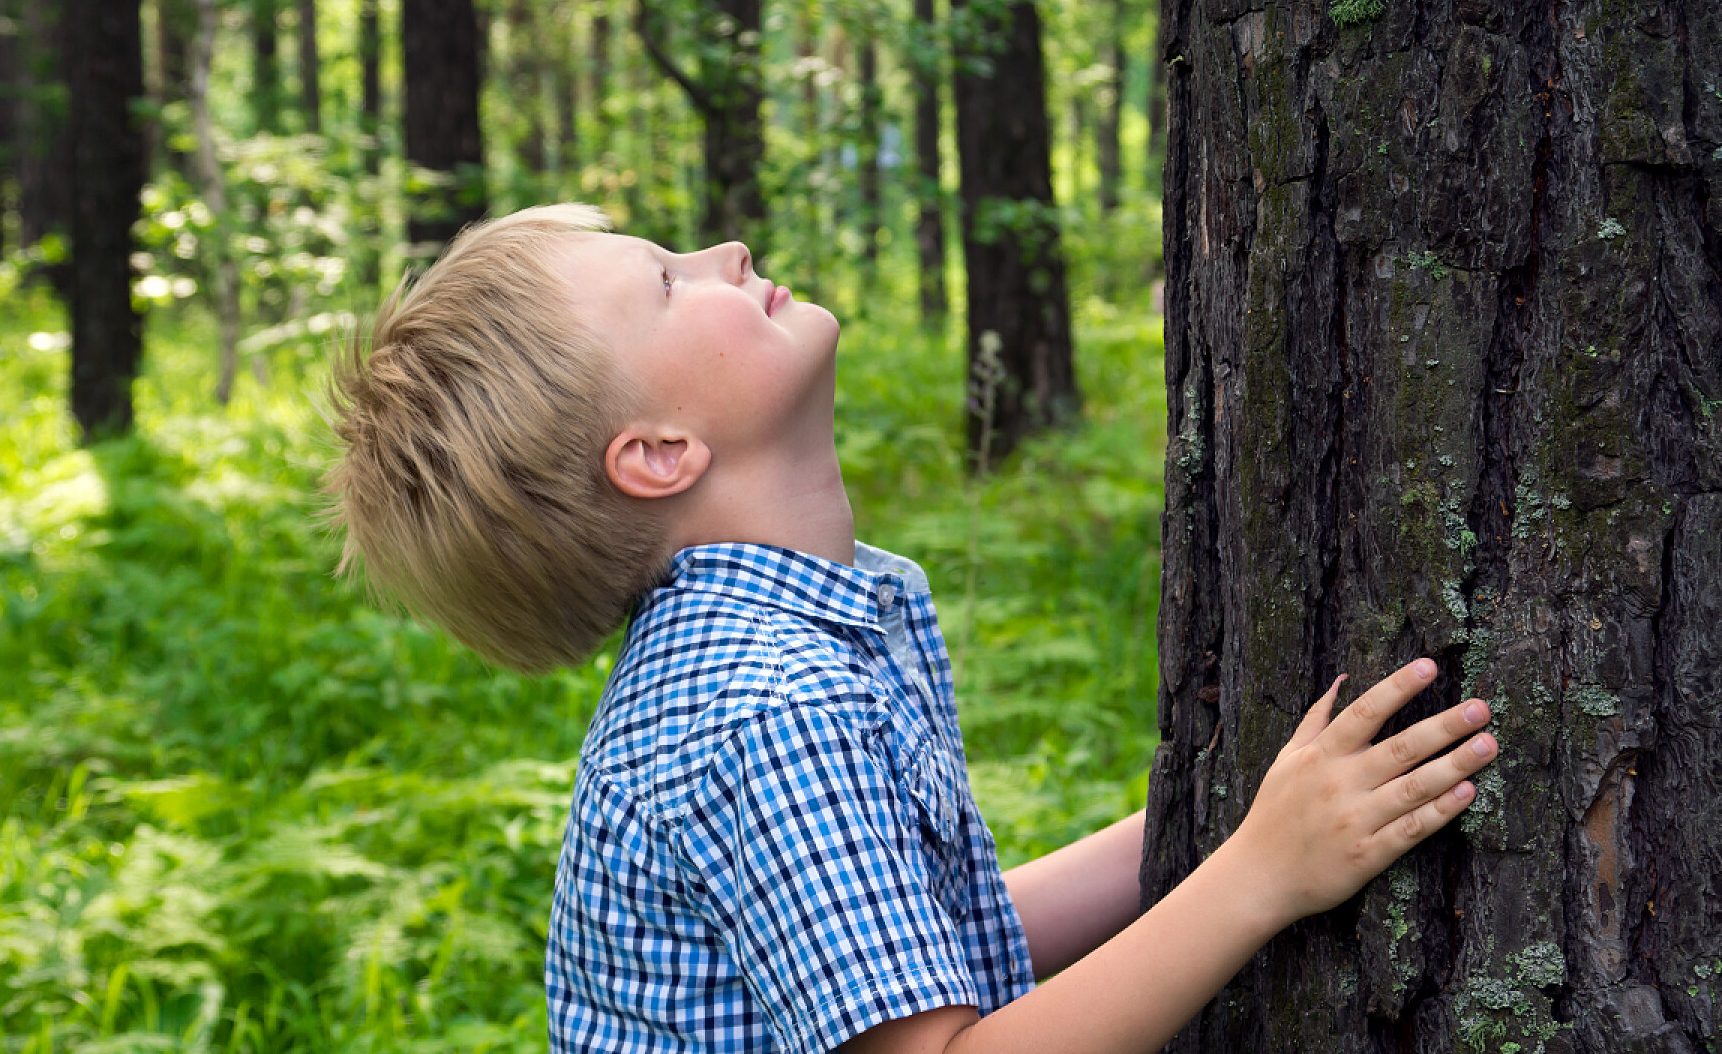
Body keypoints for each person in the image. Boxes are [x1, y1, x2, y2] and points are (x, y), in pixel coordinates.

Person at [320, 203, 1501, 1054]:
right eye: (670, 283)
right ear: (658, 454)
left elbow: (931, 946)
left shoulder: (783, 649)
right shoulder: (764, 709)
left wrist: (1204, 832)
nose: (725, 249)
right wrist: (1257, 874)